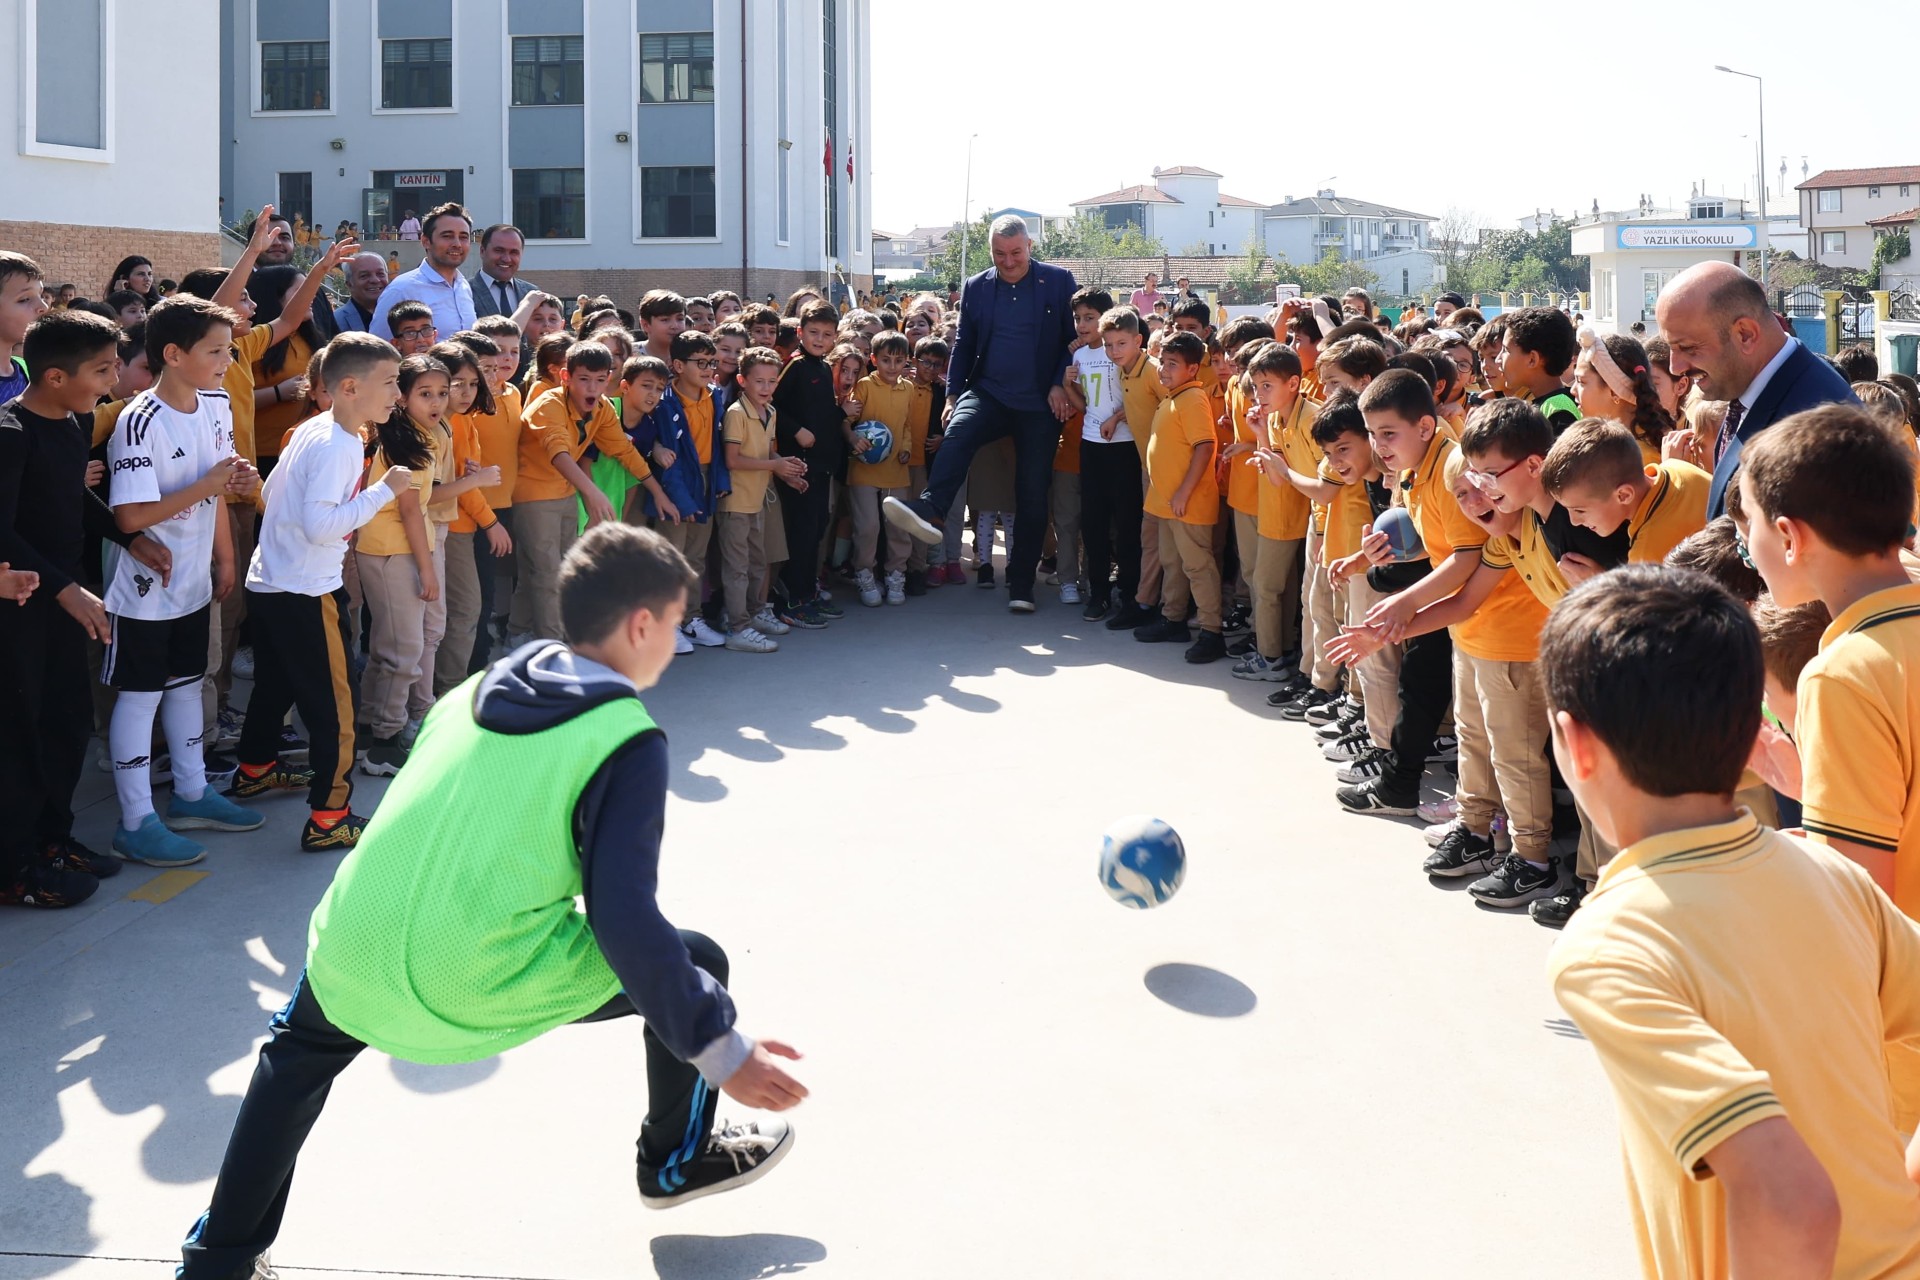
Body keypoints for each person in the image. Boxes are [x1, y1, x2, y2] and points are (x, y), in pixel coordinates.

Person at [1543, 564, 1920, 1279]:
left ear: (1576, 742)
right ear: (1754, 727)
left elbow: (1792, 1200)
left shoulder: (1610, 947)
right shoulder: (1831, 876)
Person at [1739, 403, 1920, 1131]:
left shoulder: (1842, 674)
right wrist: (1814, 789)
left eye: (1749, 522)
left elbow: (1857, 900)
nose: (1746, 544)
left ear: (1789, 535)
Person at [1, 309, 173, 906]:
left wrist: (129, 537)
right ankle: (13, 868)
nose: (111, 382)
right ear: (53, 376)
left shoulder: (71, 424)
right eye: (101, 371)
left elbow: (73, 498)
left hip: (64, 600)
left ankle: (52, 839)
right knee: (22, 735)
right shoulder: (10, 433)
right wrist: (64, 588)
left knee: (67, 723)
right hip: (23, 606)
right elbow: (5, 532)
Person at [227, 334, 411, 850]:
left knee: (276, 684)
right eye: (391, 383)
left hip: (271, 581)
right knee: (335, 707)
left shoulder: (315, 428)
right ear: (350, 386)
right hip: (307, 591)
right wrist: (384, 489)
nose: (398, 394)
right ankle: (331, 816)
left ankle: (256, 767)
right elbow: (321, 527)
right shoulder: (341, 444)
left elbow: (271, 497)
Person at [102, 297, 267, 868]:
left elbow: (219, 489)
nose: (227, 361)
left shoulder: (217, 404)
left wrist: (225, 557)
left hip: (195, 580)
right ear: (173, 355)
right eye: (216, 351)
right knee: (141, 694)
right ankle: (135, 820)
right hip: (146, 590)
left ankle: (193, 794)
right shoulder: (139, 418)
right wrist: (211, 484)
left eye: (230, 349)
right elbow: (129, 518)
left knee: (185, 683)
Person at [883, 215, 1078, 613]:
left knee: (1032, 489)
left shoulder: (1059, 282)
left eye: (1016, 253)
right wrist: (953, 394)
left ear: (1030, 247)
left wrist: (1059, 382)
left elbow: (1068, 340)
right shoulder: (976, 286)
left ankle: (1021, 584)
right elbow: (965, 343)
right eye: (999, 254)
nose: (1008, 261)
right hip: (988, 391)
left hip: (1040, 402)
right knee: (958, 430)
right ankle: (931, 509)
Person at [1652, 261, 1858, 518]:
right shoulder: (1753, 391)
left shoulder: (1818, 427)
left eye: (1688, 347)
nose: (1676, 367)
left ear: (1745, 334)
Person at [508, 342, 673, 645]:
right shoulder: (549, 404)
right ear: (565, 377)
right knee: (548, 573)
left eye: (600, 380)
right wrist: (591, 492)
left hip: (565, 494)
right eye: (584, 379)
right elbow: (558, 453)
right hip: (533, 496)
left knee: (547, 569)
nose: (593, 387)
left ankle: (518, 633)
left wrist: (656, 490)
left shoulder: (602, 408)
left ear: (610, 378)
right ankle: (553, 647)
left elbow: (623, 450)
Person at [354, 354, 448, 777]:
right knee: (405, 650)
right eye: (424, 393)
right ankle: (385, 743)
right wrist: (427, 571)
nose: (437, 402)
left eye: (442, 393)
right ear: (402, 396)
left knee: (387, 646)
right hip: (394, 552)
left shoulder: (414, 435)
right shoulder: (405, 442)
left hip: (391, 549)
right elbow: (410, 511)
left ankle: (370, 730)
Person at [631, 331, 730, 649]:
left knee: (695, 559)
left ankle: (691, 618)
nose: (708, 368)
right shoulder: (664, 402)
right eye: (700, 362)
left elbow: (716, 445)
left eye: (711, 362)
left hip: (704, 480)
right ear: (676, 365)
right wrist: (683, 502)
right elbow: (665, 459)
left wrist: (720, 484)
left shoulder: (714, 395)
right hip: (675, 484)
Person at [1130, 331, 1224, 662]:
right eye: (1163, 363)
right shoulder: (1172, 397)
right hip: (1166, 502)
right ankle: (1173, 619)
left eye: (1173, 364)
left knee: (1198, 566)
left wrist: (1184, 491)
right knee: (1172, 563)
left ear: (1193, 369)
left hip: (1188, 503)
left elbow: (1205, 446)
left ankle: (1212, 632)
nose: (1164, 370)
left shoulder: (1193, 400)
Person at [1539, 419, 1710, 570]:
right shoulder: (1679, 467)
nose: (1574, 522)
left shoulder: (1646, 557)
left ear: (1623, 495)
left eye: (1580, 511)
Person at [717, 347, 802, 651]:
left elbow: (767, 453)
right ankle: (736, 628)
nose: (767, 388)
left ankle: (753, 615)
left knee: (756, 563)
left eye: (772, 381)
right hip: (736, 503)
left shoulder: (772, 412)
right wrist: (774, 466)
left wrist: (787, 469)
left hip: (757, 501)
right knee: (737, 567)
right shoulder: (736, 414)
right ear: (742, 380)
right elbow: (732, 460)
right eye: (760, 382)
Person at [771, 300, 846, 626]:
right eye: (813, 332)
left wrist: (842, 414)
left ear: (835, 337)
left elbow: (824, 416)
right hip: (798, 466)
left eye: (826, 334)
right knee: (801, 534)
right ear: (800, 332)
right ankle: (793, 600)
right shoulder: (795, 365)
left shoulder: (824, 366)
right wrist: (795, 430)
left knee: (817, 529)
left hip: (822, 466)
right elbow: (770, 405)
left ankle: (808, 591)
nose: (819, 339)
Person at [842, 330, 916, 607]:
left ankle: (896, 575)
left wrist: (906, 447)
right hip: (862, 470)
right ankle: (864, 573)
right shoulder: (863, 386)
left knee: (898, 526)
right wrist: (853, 440)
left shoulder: (907, 388)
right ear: (873, 359)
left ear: (906, 361)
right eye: (886, 360)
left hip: (896, 468)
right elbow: (846, 421)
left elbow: (907, 424)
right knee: (868, 526)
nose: (892, 367)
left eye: (899, 361)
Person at [371, 203, 476, 342]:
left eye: (463, 237)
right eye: (447, 236)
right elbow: (379, 350)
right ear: (426, 241)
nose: (457, 243)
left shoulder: (463, 287)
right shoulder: (401, 290)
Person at [1499, 307, 1580, 433]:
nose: (1499, 359)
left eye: (1505, 350)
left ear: (1532, 359)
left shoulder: (1559, 412)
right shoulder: (1545, 403)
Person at [470, 224, 541, 319]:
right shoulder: (465, 292)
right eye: (499, 250)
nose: (506, 259)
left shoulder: (531, 292)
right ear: (482, 251)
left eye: (514, 252)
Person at [331, 253, 390, 334]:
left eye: (380, 274)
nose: (375, 280)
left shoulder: (401, 315)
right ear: (349, 284)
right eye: (364, 276)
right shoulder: (336, 321)